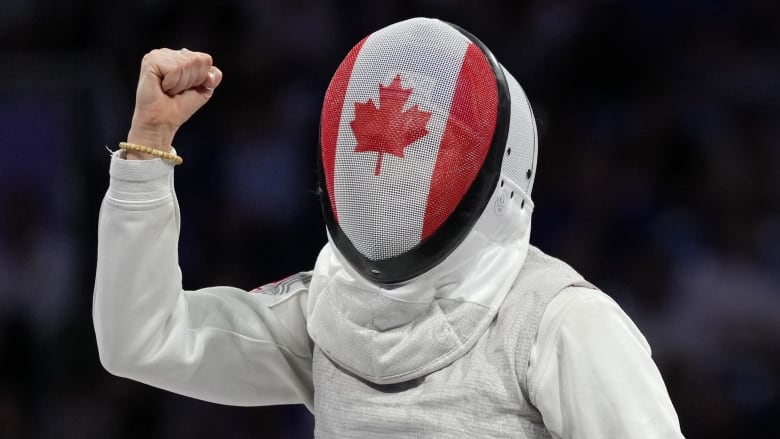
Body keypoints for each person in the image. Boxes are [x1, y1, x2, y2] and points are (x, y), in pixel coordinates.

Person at [94, 17, 684, 438]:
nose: (390, 182)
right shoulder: (334, 312)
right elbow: (142, 339)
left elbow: (142, 339)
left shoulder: (559, 325)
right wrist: (148, 143)